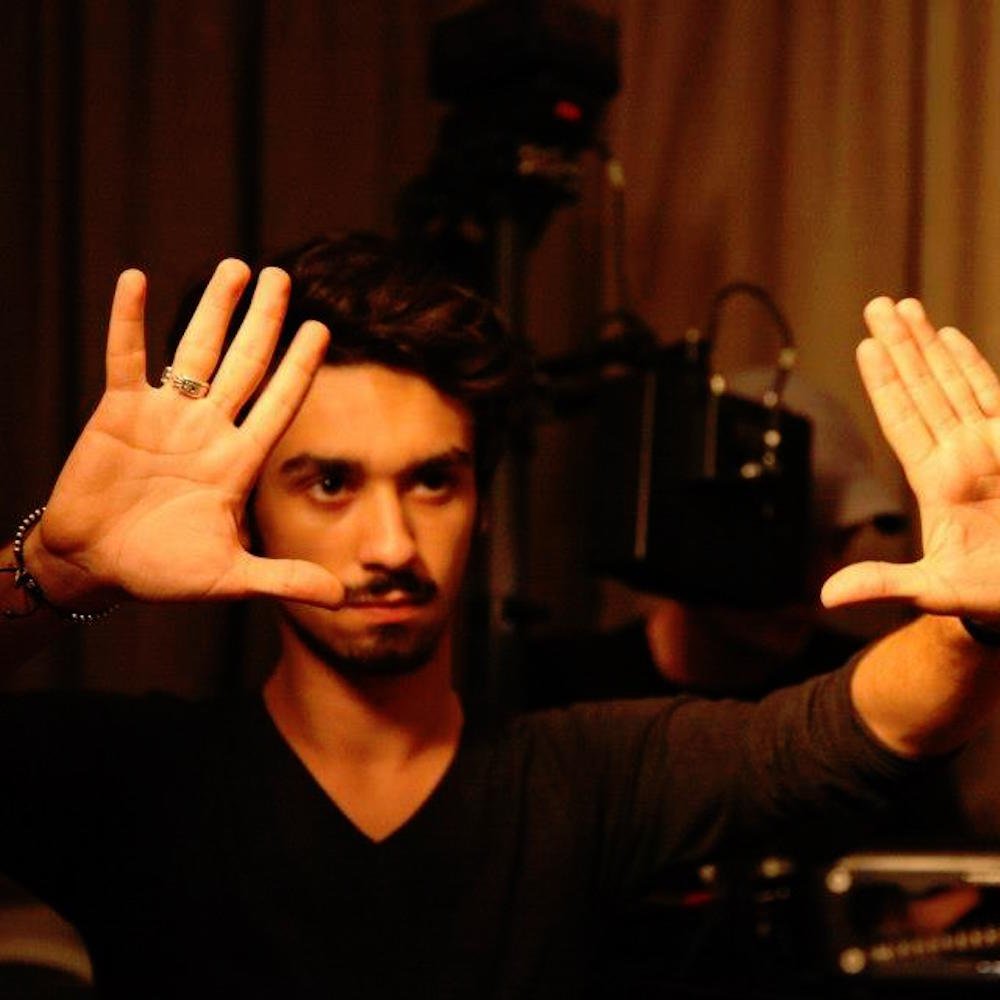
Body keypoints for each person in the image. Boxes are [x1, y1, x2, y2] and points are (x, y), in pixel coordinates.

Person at [3, 233, 1000, 997]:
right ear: (252, 503)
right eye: (330, 483)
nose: (391, 541)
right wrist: (50, 569)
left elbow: (856, 726)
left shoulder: (585, 779)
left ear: (480, 508)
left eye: (432, 481)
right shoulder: (139, 778)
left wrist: (978, 620)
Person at [518, 366, 910, 706]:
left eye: (841, 541)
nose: (826, 577)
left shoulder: (859, 694)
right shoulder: (568, 695)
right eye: (792, 544)